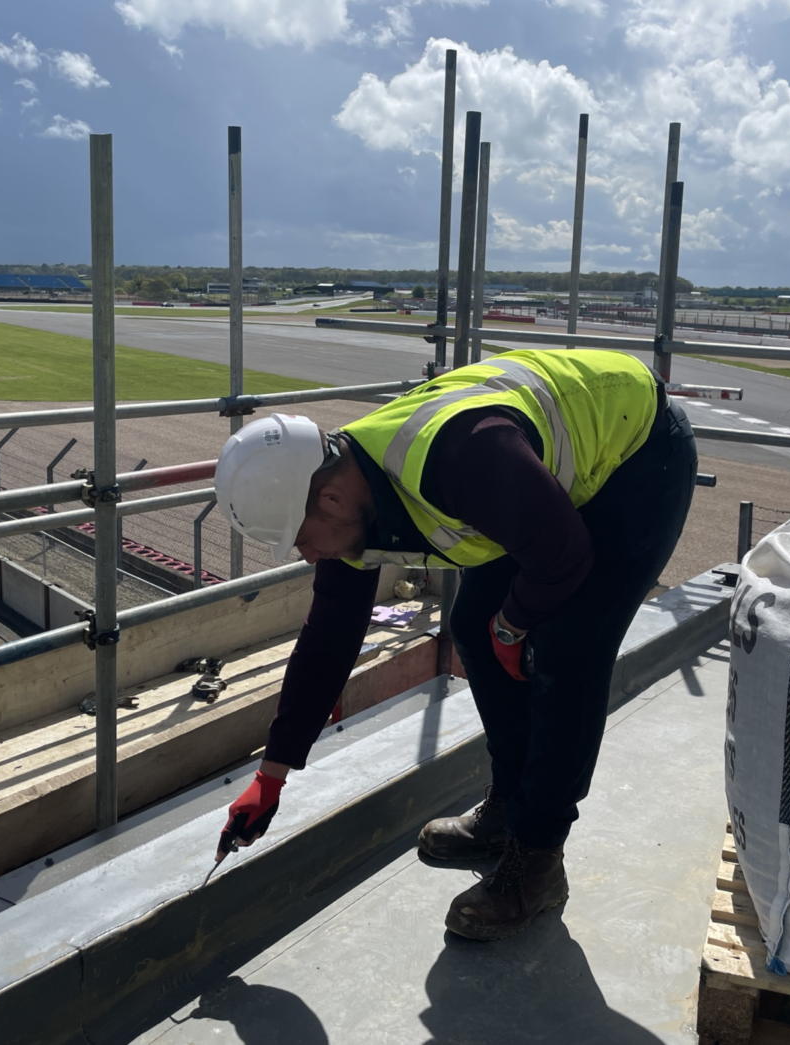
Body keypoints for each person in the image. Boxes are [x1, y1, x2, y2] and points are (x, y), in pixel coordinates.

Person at [211, 348, 698, 940]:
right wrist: (274, 771)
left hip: (635, 456)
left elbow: (564, 558)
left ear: (331, 500)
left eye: (299, 539)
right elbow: (329, 638)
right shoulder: (348, 494)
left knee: (568, 651)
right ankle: (509, 808)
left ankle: (538, 857)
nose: (305, 555)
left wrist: (516, 623)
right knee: (473, 627)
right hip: (530, 484)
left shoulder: (465, 458)